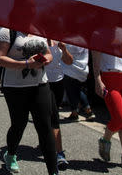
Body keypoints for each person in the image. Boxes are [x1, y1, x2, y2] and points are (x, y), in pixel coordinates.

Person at [0, 28, 58, 175]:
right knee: (18, 125)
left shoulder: (39, 31)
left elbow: (48, 53)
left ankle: (53, 171)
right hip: (15, 87)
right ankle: (10, 155)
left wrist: (47, 59)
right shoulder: (6, 31)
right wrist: (26, 64)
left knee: (45, 126)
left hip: (40, 84)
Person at [46, 40, 73, 169]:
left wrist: (65, 49)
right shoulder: (37, 39)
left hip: (58, 82)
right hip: (42, 82)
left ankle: (49, 139)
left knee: (51, 115)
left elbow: (69, 61)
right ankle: (59, 153)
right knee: (53, 116)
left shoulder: (58, 42)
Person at [62, 45, 96, 121]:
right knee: (77, 90)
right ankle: (86, 111)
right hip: (82, 70)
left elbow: (65, 54)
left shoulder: (69, 43)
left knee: (72, 92)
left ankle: (76, 112)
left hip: (70, 69)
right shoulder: (84, 41)